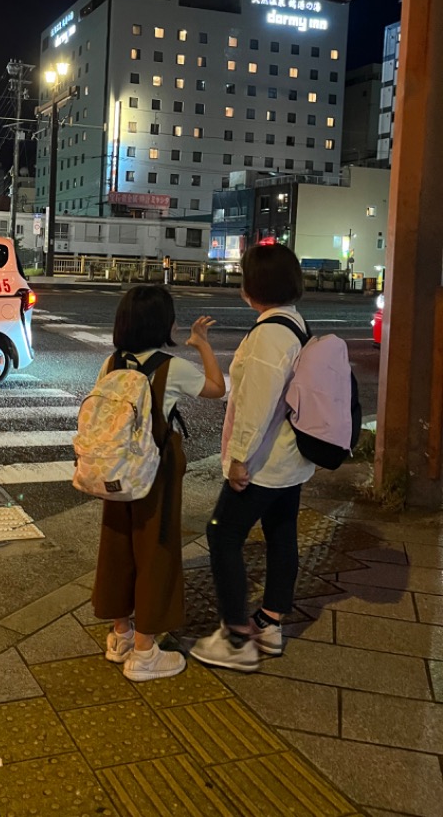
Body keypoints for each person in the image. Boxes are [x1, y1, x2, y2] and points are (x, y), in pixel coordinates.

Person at [190, 243, 315, 673]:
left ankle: (236, 637)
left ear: (253, 286)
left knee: (222, 534)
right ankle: (271, 623)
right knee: (282, 534)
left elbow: (257, 405)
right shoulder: (295, 324)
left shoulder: (267, 336)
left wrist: (239, 459)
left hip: (263, 461)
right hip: (290, 459)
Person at [92, 285, 226, 682]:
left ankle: (120, 635)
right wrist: (201, 344)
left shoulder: (111, 362)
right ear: (163, 324)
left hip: (113, 470)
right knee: (155, 552)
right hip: (154, 473)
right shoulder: (171, 367)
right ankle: (146, 651)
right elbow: (219, 390)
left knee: (117, 546)